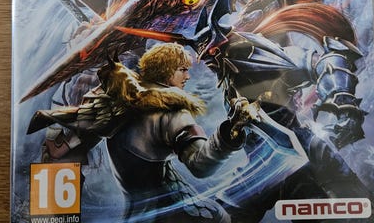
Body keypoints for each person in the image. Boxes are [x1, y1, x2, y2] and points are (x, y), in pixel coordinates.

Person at [28, 43, 257, 223]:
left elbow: (65, 149)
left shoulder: (116, 104)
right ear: (166, 70)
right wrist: (231, 131)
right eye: (182, 70)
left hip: (138, 215)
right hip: (181, 213)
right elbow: (201, 165)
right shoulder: (171, 112)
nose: (187, 76)